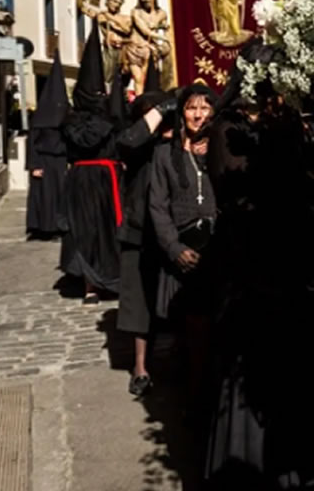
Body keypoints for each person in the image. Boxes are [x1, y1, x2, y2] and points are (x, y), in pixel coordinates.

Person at [204, 43, 314, 488]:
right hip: (250, 274)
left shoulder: (285, 127)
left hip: (292, 274)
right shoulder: (228, 130)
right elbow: (245, 195)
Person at [148, 82, 218, 406]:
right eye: (192, 107)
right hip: (183, 250)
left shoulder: (223, 149)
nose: (198, 114)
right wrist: (174, 248)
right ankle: (192, 395)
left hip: (219, 250)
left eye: (205, 107)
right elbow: (158, 207)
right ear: (181, 114)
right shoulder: (164, 155)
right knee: (189, 331)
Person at [115, 88, 178, 397]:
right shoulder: (137, 145)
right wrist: (162, 107)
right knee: (139, 303)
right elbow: (127, 141)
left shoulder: (180, 142)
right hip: (139, 232)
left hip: (174, 233)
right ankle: (140, 367)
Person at [59, 22, 124, 304]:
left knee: (109, 231)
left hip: (108, 180)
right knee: (86, 231)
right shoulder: (74, 120)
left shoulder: (107, 114)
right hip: (85, 183)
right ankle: (90, 284)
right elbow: (85, 140)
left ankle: (110, 279)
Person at [26, 50, 69, 239]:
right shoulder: (40, 118)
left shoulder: (67, 117)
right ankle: (42, 227)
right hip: (43, 161)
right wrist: (34, 165)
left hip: (61, 161)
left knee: (60, 196)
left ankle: (58, 227)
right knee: (44, 197)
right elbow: (32, 142)